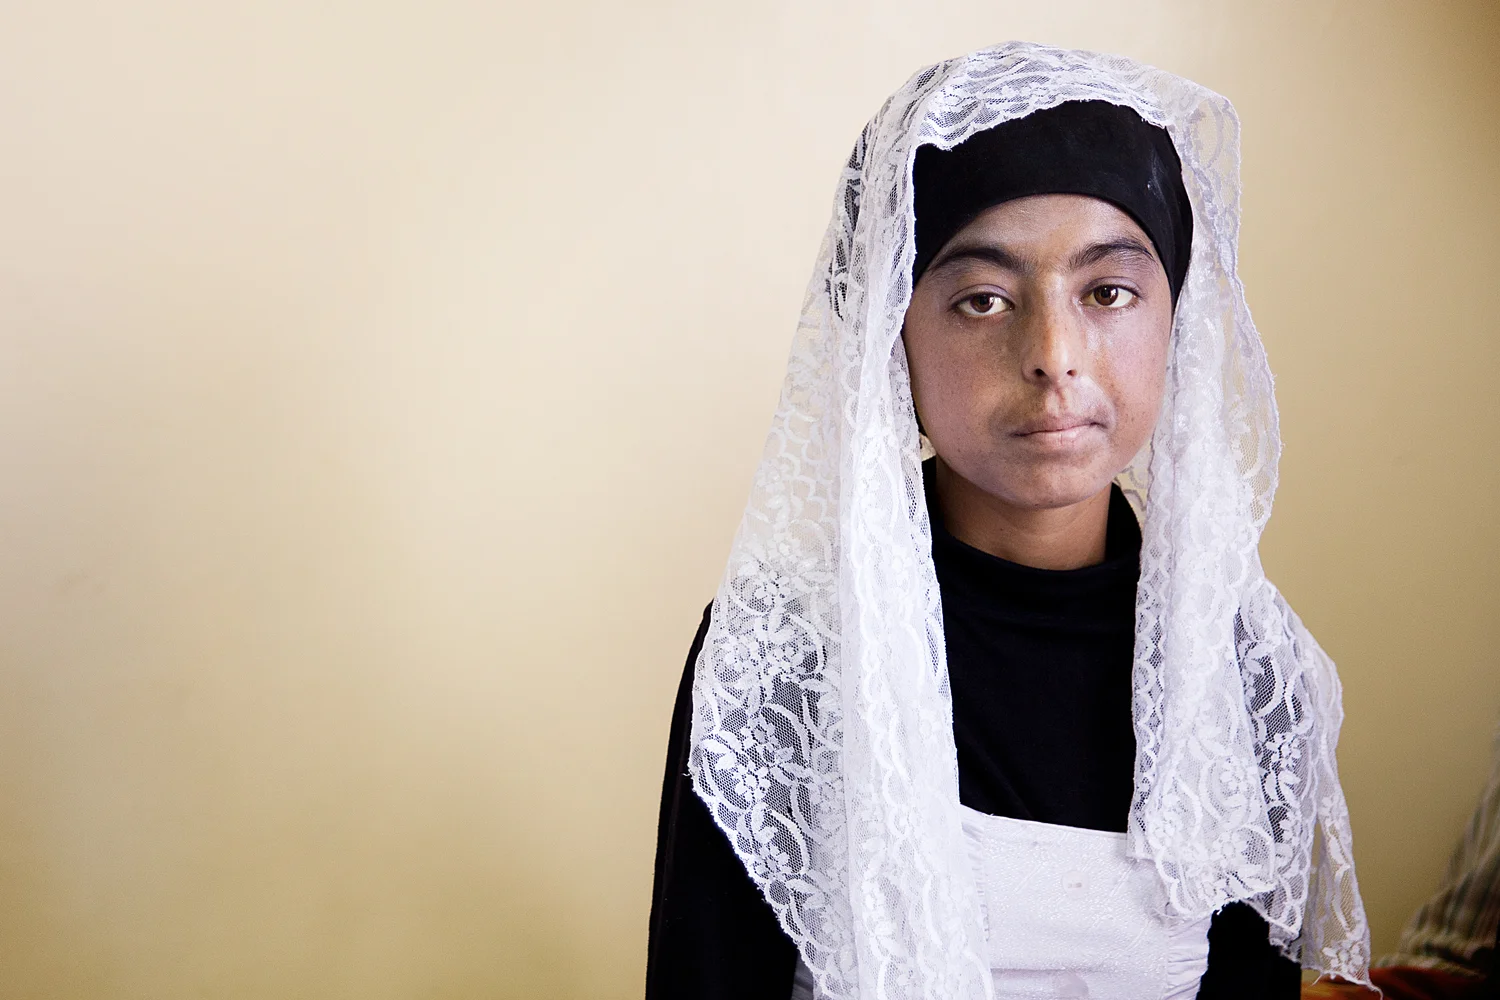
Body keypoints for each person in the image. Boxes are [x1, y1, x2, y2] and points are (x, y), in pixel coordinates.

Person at [646, 42, 1371, 1000]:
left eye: (1108, 292)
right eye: (984, 300)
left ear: (1176, 323)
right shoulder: (783, 664)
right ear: (890, 335)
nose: (1053, 355)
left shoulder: (1248, 677)